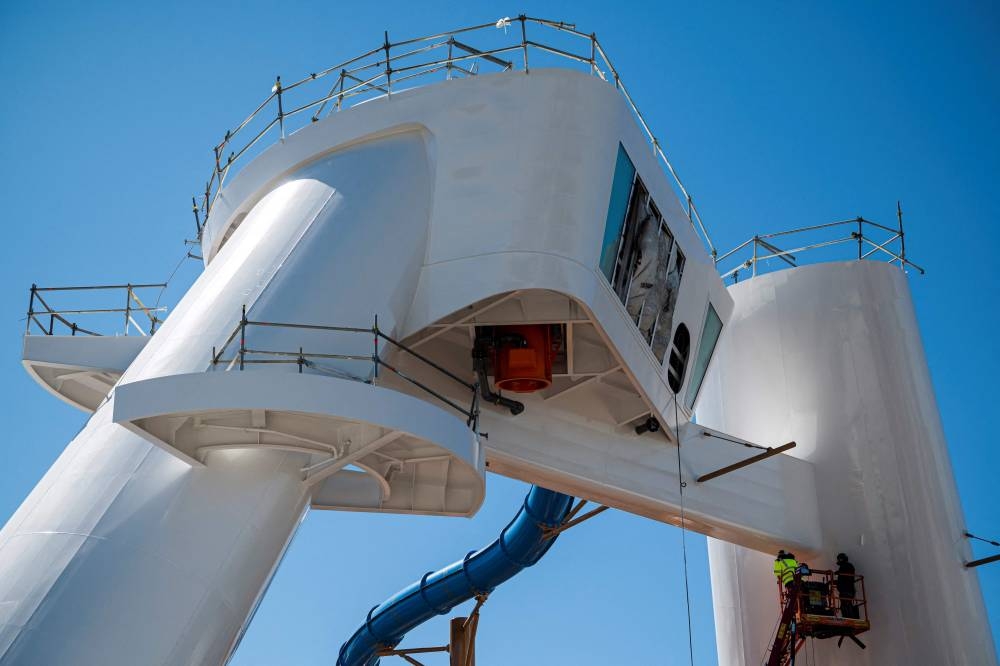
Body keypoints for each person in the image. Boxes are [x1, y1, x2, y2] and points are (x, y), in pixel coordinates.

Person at [836, 552, 859, 619]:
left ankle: (849, 618)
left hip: (846, 590)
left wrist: (837, 573)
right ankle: (850, 618)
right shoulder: (848, 566)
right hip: (849, 590)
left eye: (839, 559)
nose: (838, 561)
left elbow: (844, 576)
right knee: (847, 604)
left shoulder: (845, 566)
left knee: (845, 605)